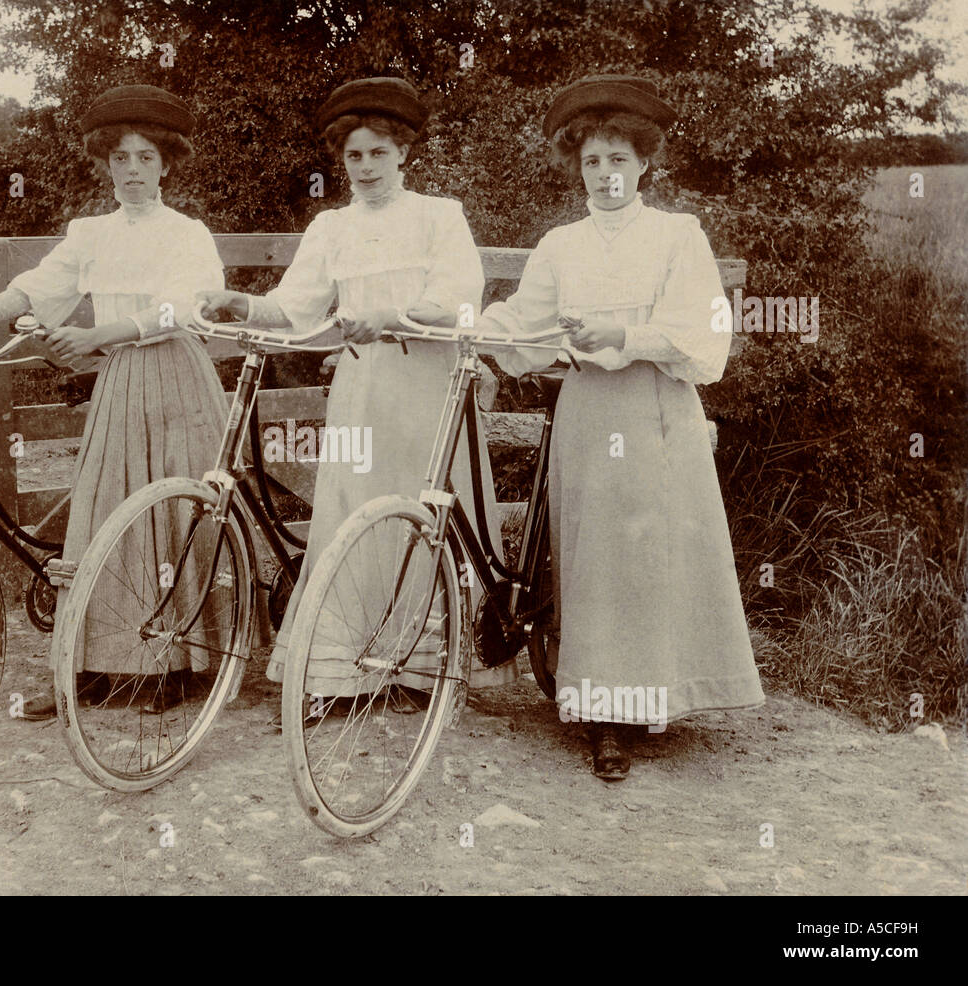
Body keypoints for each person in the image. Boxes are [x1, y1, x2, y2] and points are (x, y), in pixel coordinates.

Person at [473, 74, 765, 778]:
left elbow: (701, 332)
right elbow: (527, 322)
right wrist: (471, 331)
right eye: (592, 163)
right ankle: (603, 715)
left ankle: (648, 702)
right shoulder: (562, 246)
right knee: (596, 559)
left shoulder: (675, 236)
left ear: (644, 165)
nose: (606, 175)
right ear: (579, 169)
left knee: (647, 558)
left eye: (619, 161)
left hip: (655, 408)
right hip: (588, 412)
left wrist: (623, 333)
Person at [200, 77, 512, 717]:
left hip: (430, 388)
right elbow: (295, 308)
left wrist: (393, 315)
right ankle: (345, 670)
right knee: (352, 511)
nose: (366, 167)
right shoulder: (330, 227)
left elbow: (460, 297)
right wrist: (243, 302)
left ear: (404, 152)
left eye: (378, 153)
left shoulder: (438, 215)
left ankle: (428, 670)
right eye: (353, 156)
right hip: (362, 387)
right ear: (341, 161)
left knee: (428, 514)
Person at [0, 84, 228, 719]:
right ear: (106, 164)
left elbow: (180, 307)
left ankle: (176, 664)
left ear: (167, 163)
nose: (134, 172)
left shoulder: (187, 233)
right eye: (121, 159)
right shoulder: (91, 232)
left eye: (147, 158)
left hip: (175, 377)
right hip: (120, 382)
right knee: (104, 512)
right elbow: (37, 289)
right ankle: (94, 665)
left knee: (171, 513)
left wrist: (98, 334)